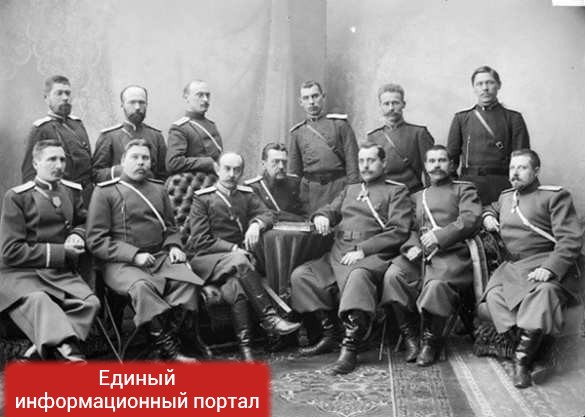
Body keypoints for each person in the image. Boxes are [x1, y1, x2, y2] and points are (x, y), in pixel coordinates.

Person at [290, 143, 412, 374]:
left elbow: (399, 231)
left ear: (384, 163)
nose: (365, 166)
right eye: (362, 161)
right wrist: (321, 217)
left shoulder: (396, 191)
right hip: (339, 252)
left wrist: (363, 250)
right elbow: (330, 209)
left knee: (358, 276)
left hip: (374, 254)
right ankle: (330, 334)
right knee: (302, 275)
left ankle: (350, 347)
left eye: (371, 160)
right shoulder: (350, 189)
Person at [86, 139, 203, 361]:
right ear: (123, 161)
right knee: (142, 287)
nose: (141, 162)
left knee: (188, 281)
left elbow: (170, 227)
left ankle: (161, 345)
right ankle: (170, 351)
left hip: (158, 258)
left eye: (145, 158)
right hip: (120, 264)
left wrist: (174, 246)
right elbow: (96, 240)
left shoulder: (158, 189)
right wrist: (133, 255)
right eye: (135, 157)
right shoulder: (105, 192)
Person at [482, 149, 582, 388]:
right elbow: (492, 207)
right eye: (512, 168)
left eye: (522, 167)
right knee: (494, 296)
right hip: (514, 268)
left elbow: (570, 240)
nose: (515, 173)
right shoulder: (506, 197)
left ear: (536, 171)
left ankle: (522, 362)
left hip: (546, 262)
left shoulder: (554, 197)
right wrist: (487, 215)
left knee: (544, 292)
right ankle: (537, 353)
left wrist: (550, 268)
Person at [186, 152, 301, 361]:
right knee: (240, 261)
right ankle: (270, 318)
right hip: (206, 260)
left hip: (238, 265)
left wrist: (256, 224)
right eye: (227, 169)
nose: (232, 174)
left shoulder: (246, 195)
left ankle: (246, 350)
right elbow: (201, 240)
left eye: (237, 170)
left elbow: (268, 214)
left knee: (235, 287)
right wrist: (233, 249)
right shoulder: (202, 198)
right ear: (217, 169)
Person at [381, 144, 481, 366]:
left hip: (451, 253)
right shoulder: (418, 196)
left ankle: (430, 342)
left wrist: (441, 236)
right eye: (432, 161)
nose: (437, 165)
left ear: (451, 165)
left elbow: (470, 219)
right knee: (393, 276)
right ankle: (410, 337)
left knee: (436, 285)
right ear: (425, 166)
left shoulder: (464, 190)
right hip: (420, 255)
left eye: (442, 160)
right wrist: (411, 246)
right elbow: (409, 228)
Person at [0, 140, 100, 361]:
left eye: (62, 159)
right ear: (36, 164)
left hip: (58, 274)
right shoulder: (17, 197)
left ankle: (33, 355)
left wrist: (78, 234)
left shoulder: (71, 191)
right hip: (21, 274)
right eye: (51, 159)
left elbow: (84, 222)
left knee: (91, 303)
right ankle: (72, 359)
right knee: (40, 301)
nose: (59, 165)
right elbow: (10, 251)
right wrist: (61, 252)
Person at [447, 66, 530, 204]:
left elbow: (523, 159)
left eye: (490, 82)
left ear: (499, 85)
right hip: (469, 186)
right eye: (479, 84)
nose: (485, 88)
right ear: (474, 88)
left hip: (503, 186)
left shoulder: (514, 118)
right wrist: (454, 187)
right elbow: (451, 159)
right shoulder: (461, 119)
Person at [288, 80, 359, 213]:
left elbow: (353, 162)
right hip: (311, 193)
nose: (311, 101)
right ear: (300, 102)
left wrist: (353, 190)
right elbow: (294, 173)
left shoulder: (340, 125)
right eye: (306, 98)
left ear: (323, 96)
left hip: (339, 188)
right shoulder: (298, 132)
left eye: (315, 96)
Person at [22, 75, 93, 206]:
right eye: (59, 93)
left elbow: (89, 164)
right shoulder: (41, 129)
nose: (65, 98)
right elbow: (29, 174)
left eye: (68, 93)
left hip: (88, 196)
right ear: (46, 98)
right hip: (61, 197)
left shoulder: (77, 124)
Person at [366, 83, 434, 192]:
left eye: (395, 103)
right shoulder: (373, 137)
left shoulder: (418, 133)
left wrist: (429, 197)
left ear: (403, 104)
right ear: (380, 106)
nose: (391, 108)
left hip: (411, 194)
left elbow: (430, 171)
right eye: (386, 104)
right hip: (383, 195)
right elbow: (369, 173)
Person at [92, 85, 167, 182]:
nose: (137, 107)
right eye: (132, 102)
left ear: (146, 105)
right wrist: (121, 170)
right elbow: (96, 174)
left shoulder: (156, 137)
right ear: (122, 105)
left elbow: (164, 175)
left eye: (142, 102)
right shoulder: (109, 136)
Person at [166, 80, 223, 178]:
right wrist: (208, 163)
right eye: (200, 95)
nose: (205, 99)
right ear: (186, 97)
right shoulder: (180, 128)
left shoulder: (211, 125)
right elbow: (173, 163)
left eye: (207, 95)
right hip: (194, 182)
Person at [244, 142, 305, 221]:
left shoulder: (296, 183)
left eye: (284, 162)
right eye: (275, 162)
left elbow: (305, 214)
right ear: (264, 164)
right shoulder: (253, 187)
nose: (281, 166)